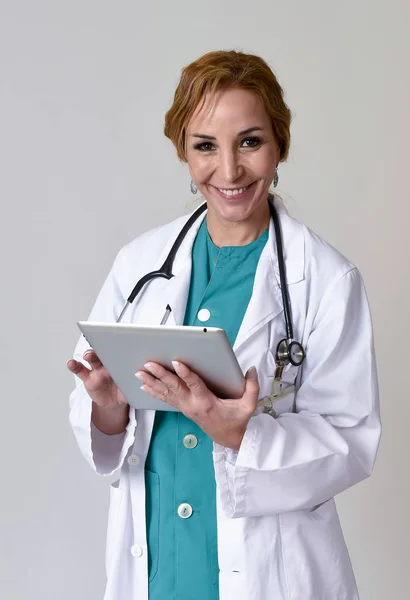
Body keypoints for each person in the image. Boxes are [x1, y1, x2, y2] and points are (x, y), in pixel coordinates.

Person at [67, 50, 381, 600]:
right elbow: (98, 422)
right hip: (158, 559)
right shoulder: (140, 264)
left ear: (279, 145)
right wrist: (108, 404)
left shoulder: (326, 279)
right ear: (183, 153)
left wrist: (237, 431)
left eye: (250, 142)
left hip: (268, 573)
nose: (229, 170)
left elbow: (349, 443)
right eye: (205, 146)